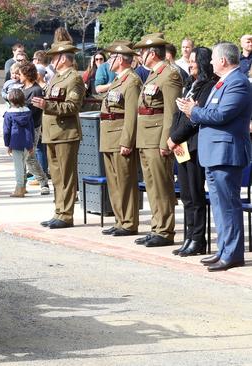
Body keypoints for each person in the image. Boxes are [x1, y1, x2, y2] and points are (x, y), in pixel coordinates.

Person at [177, 42, 252, 271]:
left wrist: (194, 111)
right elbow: (213, 112)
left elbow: (222, 114)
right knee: (219, 206)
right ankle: (223, 250)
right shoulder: (223, 82)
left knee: (228, 205)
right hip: (214, 154)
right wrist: (196, 109)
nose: (209, 62)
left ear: (222, 61)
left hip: (226, 153)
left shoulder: (238, 82)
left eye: (213, 59)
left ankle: (233, 254)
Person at [132, 33, 183, 247]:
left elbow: (171, 112)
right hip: (146, 138)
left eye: (143, 52)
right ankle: (156, 227)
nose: (140, 56)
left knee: (162, 186)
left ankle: (165, 230)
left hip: (158, 138)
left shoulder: (169, 74)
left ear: (152, 53)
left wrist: (166, 142)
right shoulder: (154, 74)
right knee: (152, 186)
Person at [166, 47, 216, 257]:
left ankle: (198, 239)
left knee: (195, 195)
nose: (190, 64)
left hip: (193, 146)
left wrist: (174, 138)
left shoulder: (208, 86)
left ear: (203, 63)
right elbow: (179, 115)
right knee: (186, 195)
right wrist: (172, 137)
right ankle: (188, 236)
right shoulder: (190, 85)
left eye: (194, 61)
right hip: (181, 146)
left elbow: (193, 119)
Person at [32, 41, 85, 229]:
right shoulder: (56, 77)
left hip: (65, 133)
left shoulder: (74, 78)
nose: (52, 60)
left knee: (66, 176)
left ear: (63, 58)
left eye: (54, 56)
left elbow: (73, 106)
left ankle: (66, 214)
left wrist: (47, 105)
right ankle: (58, 211)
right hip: (52, 133)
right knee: (56, 176)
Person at [98, 42, 142, 237]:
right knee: (114, 182)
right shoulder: (118, 80)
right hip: (109, 135)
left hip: (120, 136)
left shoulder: (131, 81)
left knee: (125, 180)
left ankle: (129, 222)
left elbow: (132, 114)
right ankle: (120, 220)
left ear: (120, 59)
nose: (108, 61)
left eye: (112, 57)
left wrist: (127, 141)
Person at [19, 63, 49, 194]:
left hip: (32, 127)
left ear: (26, 75)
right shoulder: (23, 88)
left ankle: (43, 182)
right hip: (20, 126)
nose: (18, 76)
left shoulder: (36, 90)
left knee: (29, 157)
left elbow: (34, 111)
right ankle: (22, 184)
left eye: (20, 74)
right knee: (21, 156)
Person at [3, 88, 35, 198]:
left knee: (18, 167)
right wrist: (32, 144)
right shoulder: (28, 112)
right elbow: (31, 128)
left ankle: (19, 188)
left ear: (11, 100)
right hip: (27, 142)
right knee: (23, 165)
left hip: (15, 142)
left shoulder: (9, 114)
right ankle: (23, 187)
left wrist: (7, 144)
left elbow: (6, 131)